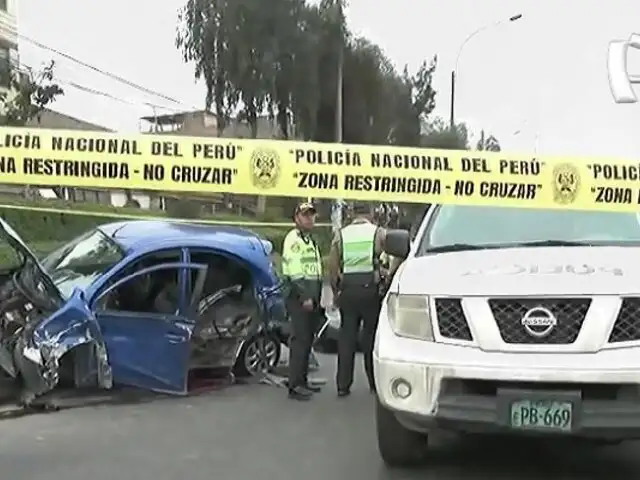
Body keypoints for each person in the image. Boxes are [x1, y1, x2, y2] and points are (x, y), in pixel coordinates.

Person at [328, 203, 386, 397]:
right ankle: (374, 383)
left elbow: (333, 266)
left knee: (347, 338)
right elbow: (393, 256)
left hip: (348, 291)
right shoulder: (378, 233)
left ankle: (343, 385)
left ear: (352, 214)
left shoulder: (341, 235)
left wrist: (336, 291)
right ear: (370, 213)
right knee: (370, 338)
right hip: (370, 291)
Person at [281, 202, 324, 401]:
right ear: (296, 218)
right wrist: (305, 296)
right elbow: (295, 270)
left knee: (307, 340)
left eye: (312, 215)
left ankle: (303, 380)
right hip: (299, 296)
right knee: (299, 340)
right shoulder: (294, 239)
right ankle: (295, 385)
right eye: (305, 215)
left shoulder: (309, 240)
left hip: (311, 295)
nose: (310, 219)